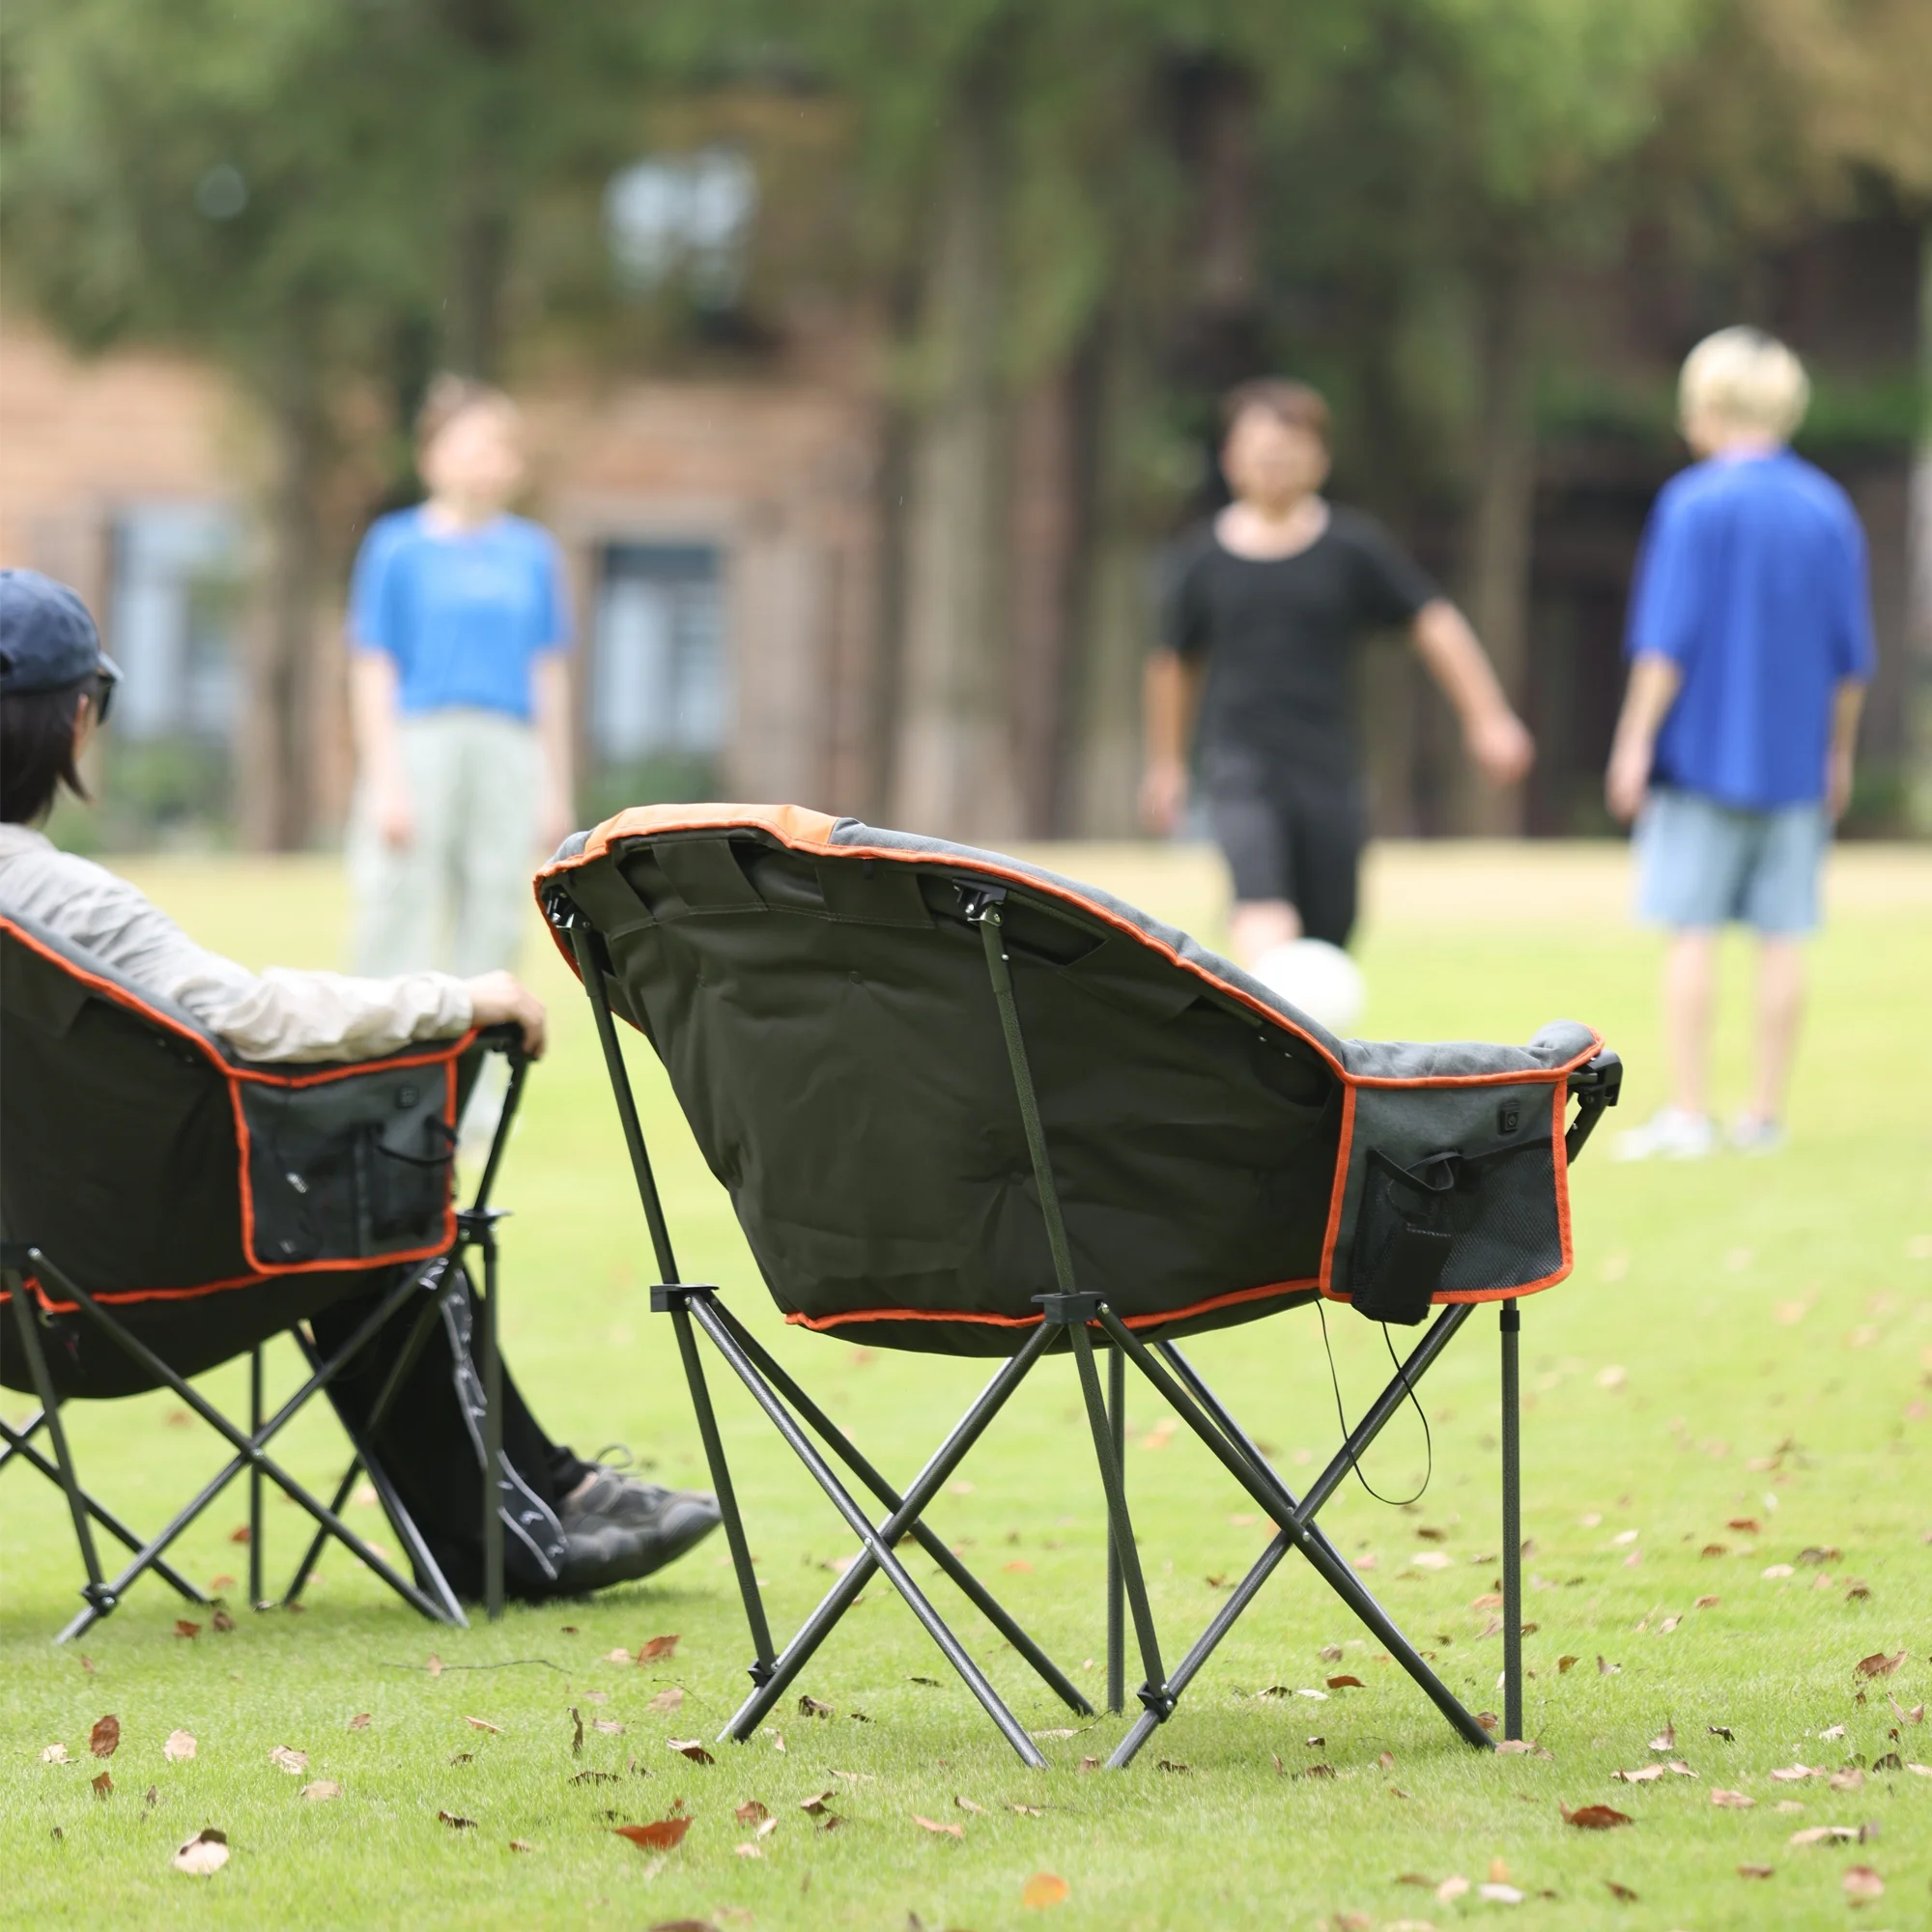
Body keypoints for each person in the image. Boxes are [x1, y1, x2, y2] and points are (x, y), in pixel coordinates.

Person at [0, 567, 719, 1600]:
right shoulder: (62, 901)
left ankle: (552, 1491)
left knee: (350, 1209)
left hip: (25, 1293)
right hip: (118, 1298)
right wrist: (454, 998)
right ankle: (514, 1534)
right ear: (74, 718)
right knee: (371, 1214)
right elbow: (251, 1017)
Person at [1141, 379, 1534, 964]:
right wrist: (1167, 765)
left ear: (1319, 460)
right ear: (1231, 460)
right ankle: (1262, 1000)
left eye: (1288, 452)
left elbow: (1434, 623)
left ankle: (1296, 1010)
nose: (1273, 465)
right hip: (1238, 764)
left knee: (1331, 928)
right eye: (1260, 453)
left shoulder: (1352, 550)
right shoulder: (1202, 560)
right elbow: (1174, 663)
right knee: (1263, 905)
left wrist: (1488, 718)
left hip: (1326, 766)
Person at [1605, 328, 1875, 1159]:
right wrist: (1837, 754)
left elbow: (1666, 643)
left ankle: (1689, 1113)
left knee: (1691, 929)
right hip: (1795, 763)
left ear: (1710, 405)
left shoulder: (1694, 503)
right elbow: (1850, 657)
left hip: (1701, 759)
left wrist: (1634, 739)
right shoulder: (1827, 507)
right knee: (1782, 936)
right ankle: (1763, 1116)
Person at [347, 377, 574, 982]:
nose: (487, 462)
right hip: (420, 742)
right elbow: (374, 666)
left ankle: (484, 1038)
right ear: (432, 456)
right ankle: (390, 1038)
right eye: (473, 447)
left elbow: (548, 672)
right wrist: (385, 779)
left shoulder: (533, 552)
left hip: (507, 745)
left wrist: (554, 786)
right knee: (398, 899)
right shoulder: (396, 547)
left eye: (500, 448)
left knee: (497, 904)